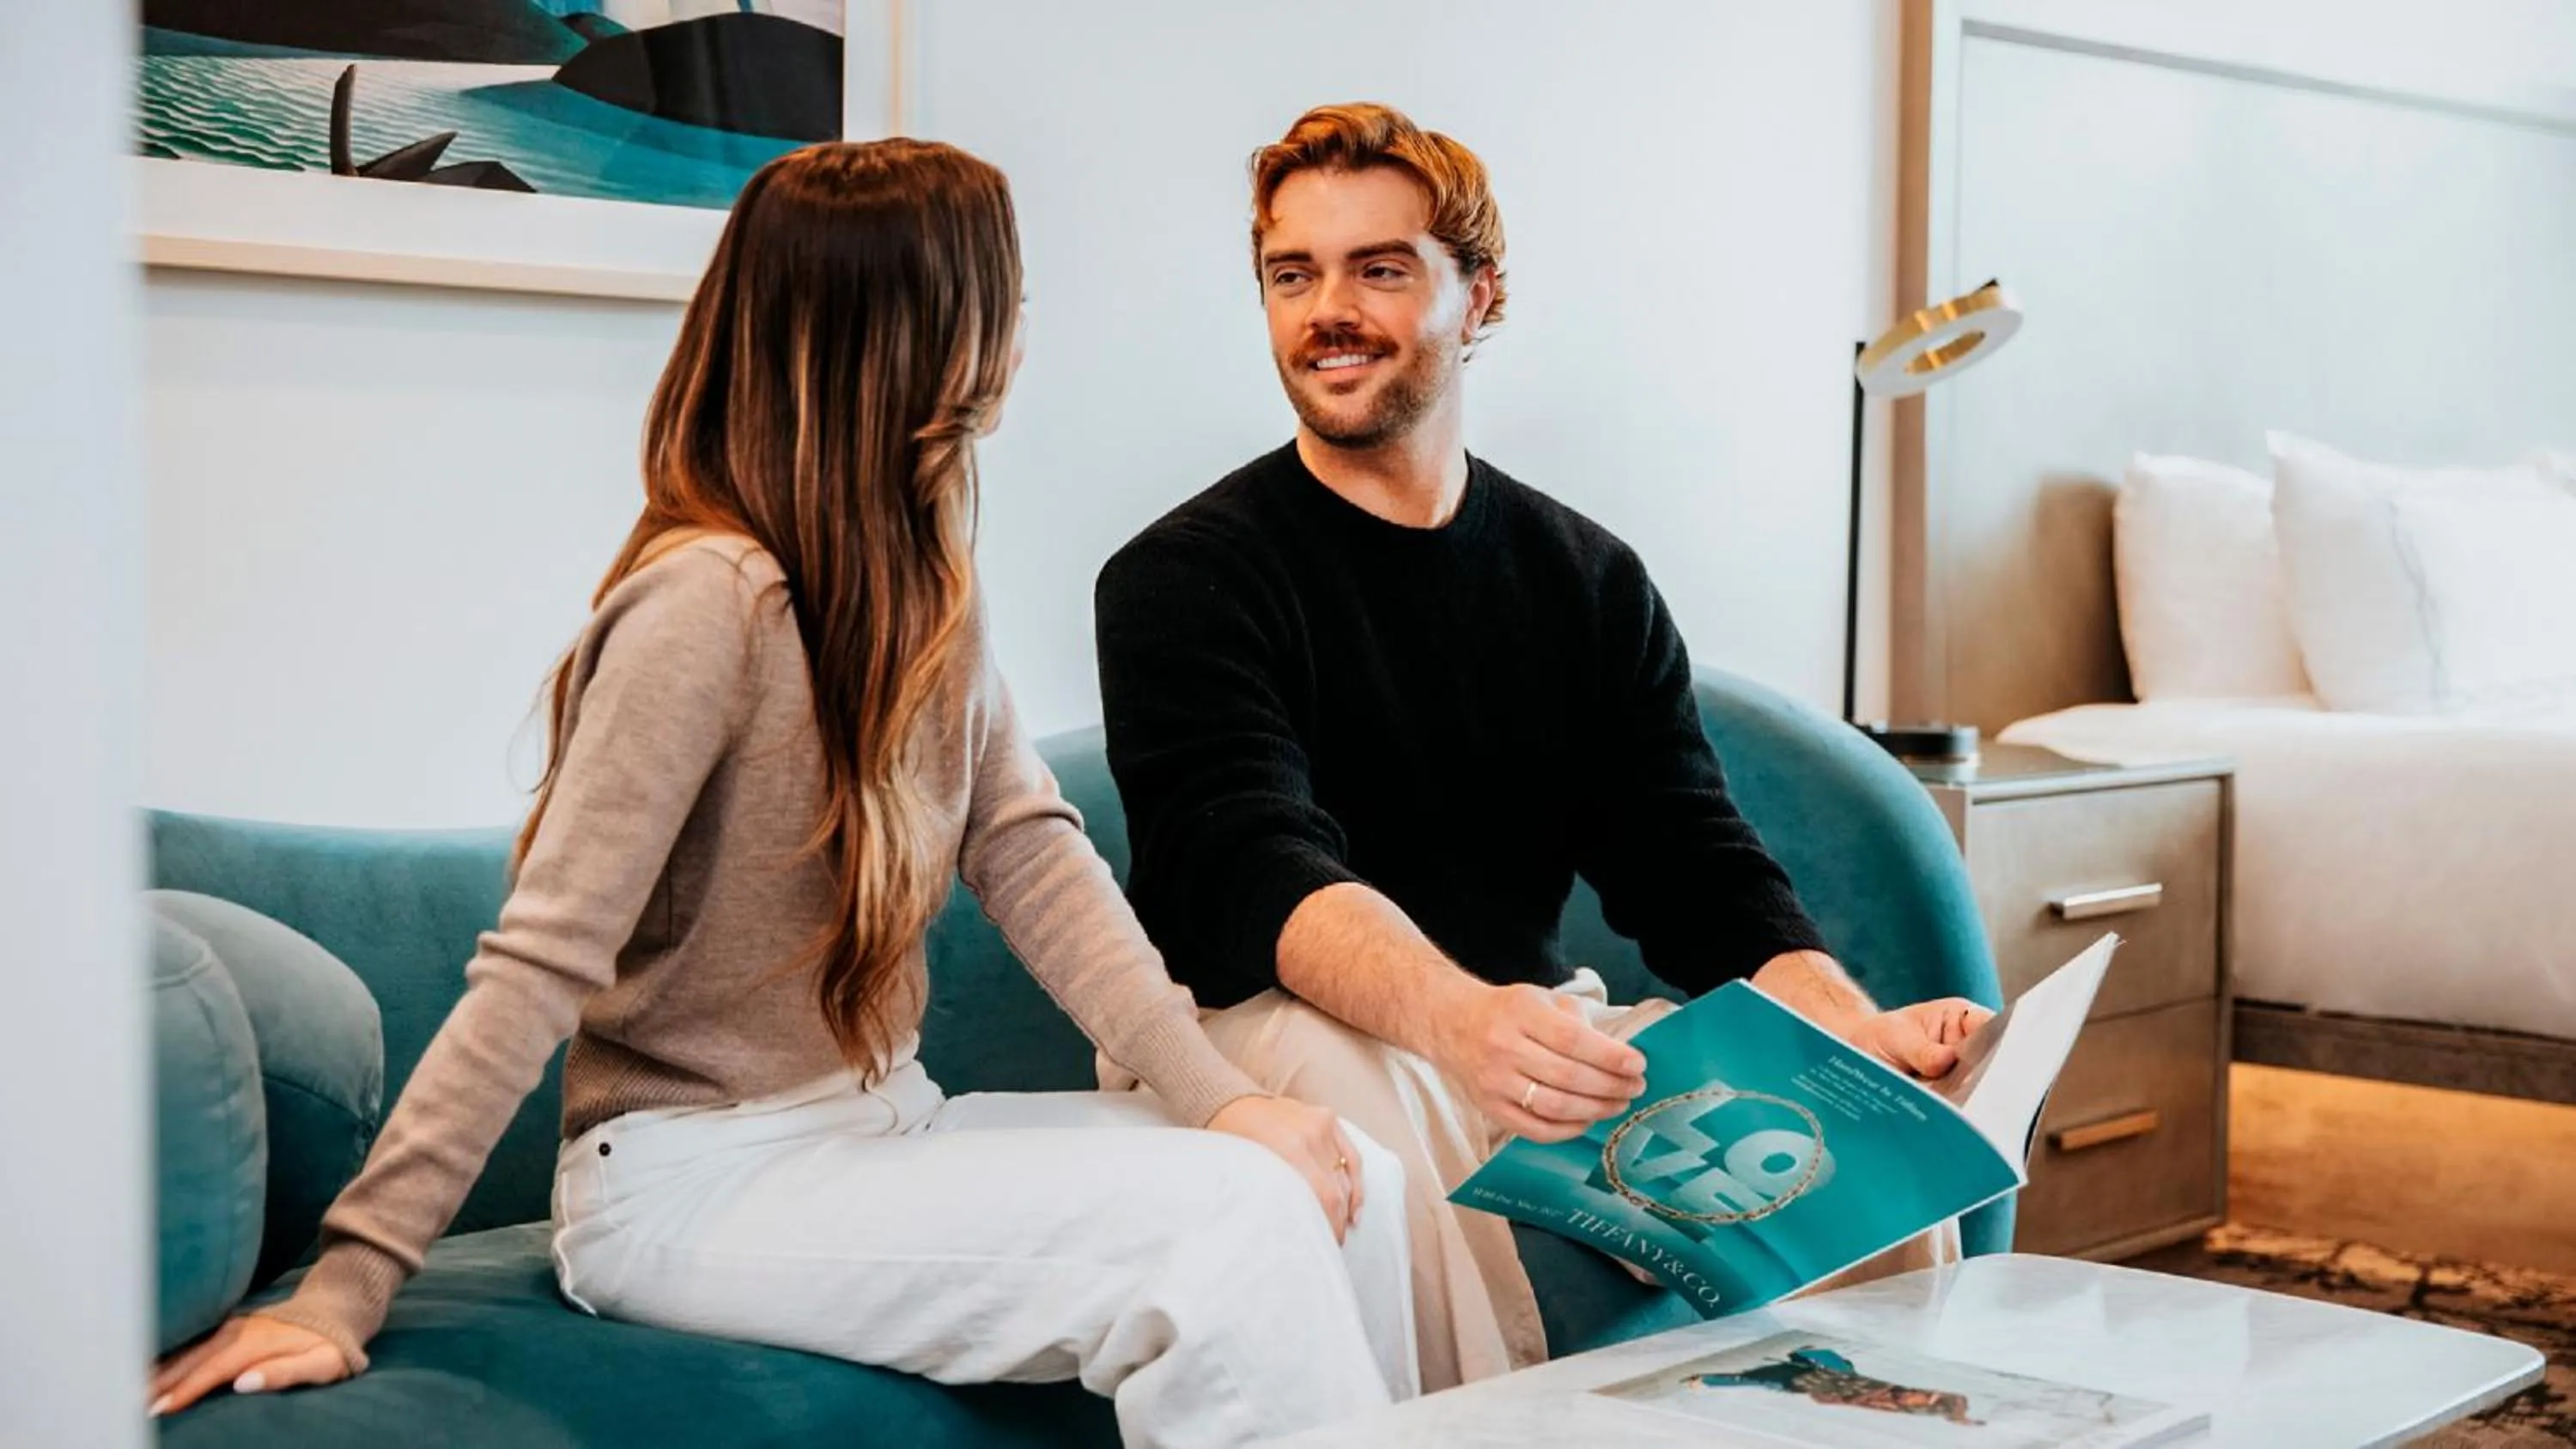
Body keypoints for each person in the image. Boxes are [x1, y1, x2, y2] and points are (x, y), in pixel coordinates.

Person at [149, 139, 1418, 1449]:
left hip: (881, 1126)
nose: (1025, 331)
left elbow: (1032, 855)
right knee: (1223, 1233)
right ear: (920, 334)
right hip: (686, 1182)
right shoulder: (707, 605)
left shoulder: (924, 585)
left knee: (1340, 1173)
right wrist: (351, 1281)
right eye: (1008, 297)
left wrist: (1218, 1096)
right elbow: (540, 957)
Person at [1093, 103, 1990, 1391]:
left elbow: (1694, 869)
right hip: (1249, 1024)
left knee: (1860, 1153)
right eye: (1293, 275)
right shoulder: (1182, 578)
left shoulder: (1585, 579)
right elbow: (1248, 861)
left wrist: (1853, 1035)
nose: (1326, 311)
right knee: (1376, 1101)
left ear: (1481, 293)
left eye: (1380, 269)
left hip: (1508, 1017)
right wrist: (1463, 1025)